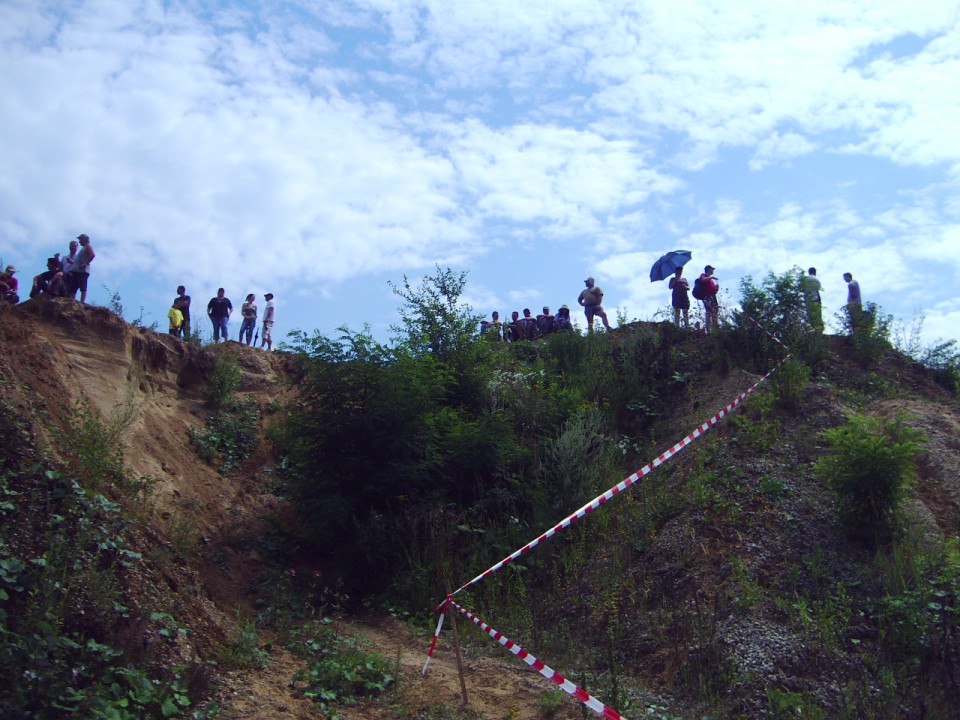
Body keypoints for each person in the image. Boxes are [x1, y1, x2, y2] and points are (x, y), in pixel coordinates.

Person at [70, 234, 95, 304]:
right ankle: (71, 302)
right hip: (77, 271)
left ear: (85, 239)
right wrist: (72, 262)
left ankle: (82, 302)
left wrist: (85, 263)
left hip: (83, 271)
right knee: (72, 289)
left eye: (80, 239)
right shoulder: (83, 248)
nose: (79, 241)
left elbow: (92, 255)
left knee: (83, 288)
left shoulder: (88, 247)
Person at [698, 265, 720, 334]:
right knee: (709, 312)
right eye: (712, 269)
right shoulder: (703, 275)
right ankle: (708, 330)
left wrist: (716, 289)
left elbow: (713, 290)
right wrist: (711, 277)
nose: (713, 270)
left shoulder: (710, 280)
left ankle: (715, 328)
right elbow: (703, 280)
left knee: (715, 311)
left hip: (712, 296)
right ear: (708, 270)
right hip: (707, 297)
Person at [801, 267, 824, 332]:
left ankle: (810, 328)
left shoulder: (806, 279)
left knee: (809, 314)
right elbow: (818, 289)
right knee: (818, 314)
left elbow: (802, 289)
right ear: (815, 272)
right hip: (816, 298)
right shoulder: (817, 280)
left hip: (808, 299)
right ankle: (819, 329)